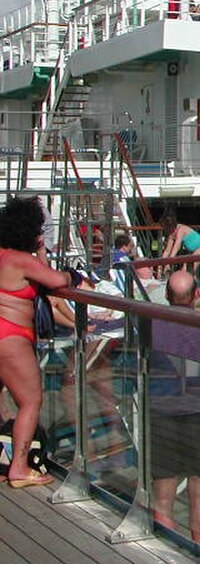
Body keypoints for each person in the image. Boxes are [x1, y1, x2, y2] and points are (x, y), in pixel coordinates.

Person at [0, 198, 81, 487]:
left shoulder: (4, 257)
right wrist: (70, 273)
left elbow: (41, 277)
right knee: (31, 401)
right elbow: (56, 281)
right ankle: (19, 467)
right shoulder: (21, 260)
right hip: (11, 337)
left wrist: (40, 253)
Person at [151, 271, 200, 543]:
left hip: (162, 410)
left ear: (166, 295)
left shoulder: (151, 325)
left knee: (163, 493)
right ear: (197, 294)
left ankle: (165, 550)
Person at [159, 207, 200, 274]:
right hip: (193, 250)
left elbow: (176, 247)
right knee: (189, 271)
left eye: (165, 227)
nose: (164, 229)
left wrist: (168, 263)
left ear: (170, 226)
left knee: (186, 270)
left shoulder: (181, 230)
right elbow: (167, 251)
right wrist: (160, 266)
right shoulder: (171, 234)